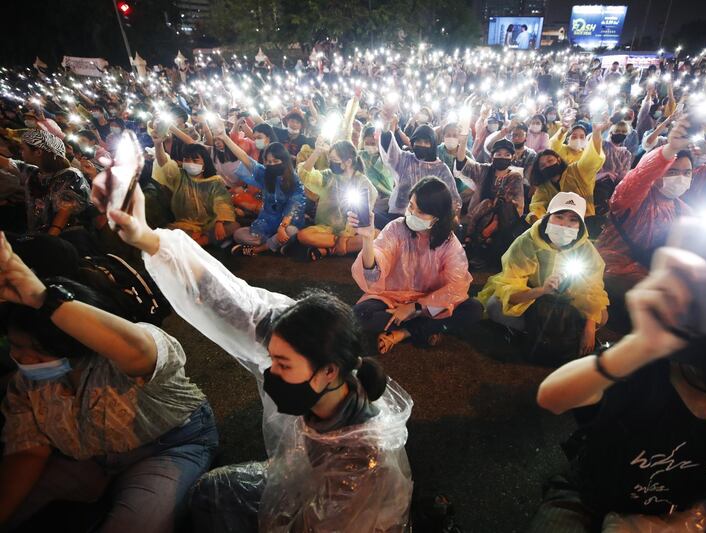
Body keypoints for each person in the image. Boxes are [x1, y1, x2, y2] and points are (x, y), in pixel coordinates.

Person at [91, 182, 413, 532]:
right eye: (272, 359)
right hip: (299, 480)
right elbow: (235, 302)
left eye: (282, 364)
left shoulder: (361, 459)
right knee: (211, 493)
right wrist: (149, 240)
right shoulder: (309, 357)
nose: (269, 370)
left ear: (328, 372)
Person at [531, 246, 706, 533]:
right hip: (587, 496)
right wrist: (639, 345)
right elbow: (552, 397)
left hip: (681, 512)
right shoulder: (646, 371)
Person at [0, 233, 217, 532]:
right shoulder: (26, 385)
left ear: (69, 343)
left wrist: (42, 298)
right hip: (91, 457)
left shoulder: (118, 350)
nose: (20, 358)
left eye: (34, 351)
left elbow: (139, 349)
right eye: (14, 346)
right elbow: (29, 451)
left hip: (167, 446)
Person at [352, 177, 482, 354]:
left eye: (421, 212)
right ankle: (426, 329)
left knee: (473, 310)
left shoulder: (449, 243)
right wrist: (367, 239)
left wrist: (416, 308)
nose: (412, 214)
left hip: (431, 303)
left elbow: (456, 287)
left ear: (437, 217)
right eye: (411, 206)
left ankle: (404, 332)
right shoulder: (396, 228)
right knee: (360, 314)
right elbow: (373, 273)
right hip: (392, 298)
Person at [478, 193, 608, 360]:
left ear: (580, 226)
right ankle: (543, 332)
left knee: (601, 316)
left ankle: (537, 332)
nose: (565, 225)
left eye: (573, 220)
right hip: (534, 300)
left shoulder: (586, 249)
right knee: (495, 306)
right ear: (547, 217)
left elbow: (593, 289)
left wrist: (589, 329)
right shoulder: (526, 242)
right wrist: (542, 290)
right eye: (559, 217)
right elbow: (511, 285)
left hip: (570, 303)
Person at [595, 117, 694, 332]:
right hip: (616, 268)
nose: (680, 178)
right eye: (672, 172)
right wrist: (670, 149)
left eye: (687, 173)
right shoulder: (633, 196)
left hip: (653, 272)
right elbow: (640, 176)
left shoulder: (682, 210)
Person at [219, 135, 306, 256]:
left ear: (284, 161)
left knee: (291, 231)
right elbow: (245, 158)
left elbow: (294, 206)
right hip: (267, 222)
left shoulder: (294, 180)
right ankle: (278, 244)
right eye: (268, 162)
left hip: (287, 223)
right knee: (238, 234)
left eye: (276, 161)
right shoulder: (265, 174)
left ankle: (260, 249)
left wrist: (282, 227)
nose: (271, 164)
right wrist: (225, 137)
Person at [151, 130, 239, 247]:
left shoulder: (214, 181)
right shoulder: (179, 175)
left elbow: (222, 202)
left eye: (195, 160)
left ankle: (202, 240)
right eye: (187, 160)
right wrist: (158, 144)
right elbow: (164, 165)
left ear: (204, 162)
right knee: (173, 235)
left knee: (234, 226)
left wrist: (219, 222)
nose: (190, 163)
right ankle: (199, 242)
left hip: (208, 224)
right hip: (184, 224)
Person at [0, 129, 92, 237]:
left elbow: (64, 215)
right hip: (36, 235)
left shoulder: (70, 176)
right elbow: (10, 164)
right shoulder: (36, 173)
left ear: (38, 152)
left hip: (62, 241)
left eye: (23, 148)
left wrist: (46, 242)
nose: (21, 152)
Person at [297, 139, 378, 259]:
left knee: (377, 235)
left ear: (348, 162)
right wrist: (317, 152)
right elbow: (305, 175)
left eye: (334, 160)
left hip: (353, 232)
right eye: (330, 160)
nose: (331, 163)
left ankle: (327, 250)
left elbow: (360, 219)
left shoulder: (363, 184)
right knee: (303, 236)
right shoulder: (329, 176)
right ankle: (337, 248)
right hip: (325, 229)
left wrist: (344, 237)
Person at [379, 116, 461, 226]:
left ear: (432, 144)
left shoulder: (441, 169)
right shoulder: (405, 159)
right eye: (418, 141)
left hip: (425, 222)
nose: (422, 145)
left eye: (426, 142)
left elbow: (453, 200)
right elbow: (390, 152)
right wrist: (385, 127)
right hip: (398, 216)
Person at [455, 138, 525, 267]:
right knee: (485, 204)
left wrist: (493, 224)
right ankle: (471, 245)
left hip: (502, 221)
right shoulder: (484, 171)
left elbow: (516, 205)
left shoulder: (515, 177)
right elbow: (462, 162)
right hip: (478, 216)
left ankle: (479, 248)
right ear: (492, 156)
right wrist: (463, 138)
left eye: (506, 155)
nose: (502, 157)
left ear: (512, 157)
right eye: (498, 154)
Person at [527, 119, 608, 224]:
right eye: (543, 165)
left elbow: (592, 159)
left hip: (584, 220)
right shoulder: (545, 187)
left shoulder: (576, 171)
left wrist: (596, 134)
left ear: (558, 159)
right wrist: (539, 220)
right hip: (555, 225)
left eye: (550, 161)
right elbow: (537, 205)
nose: (547, 165)